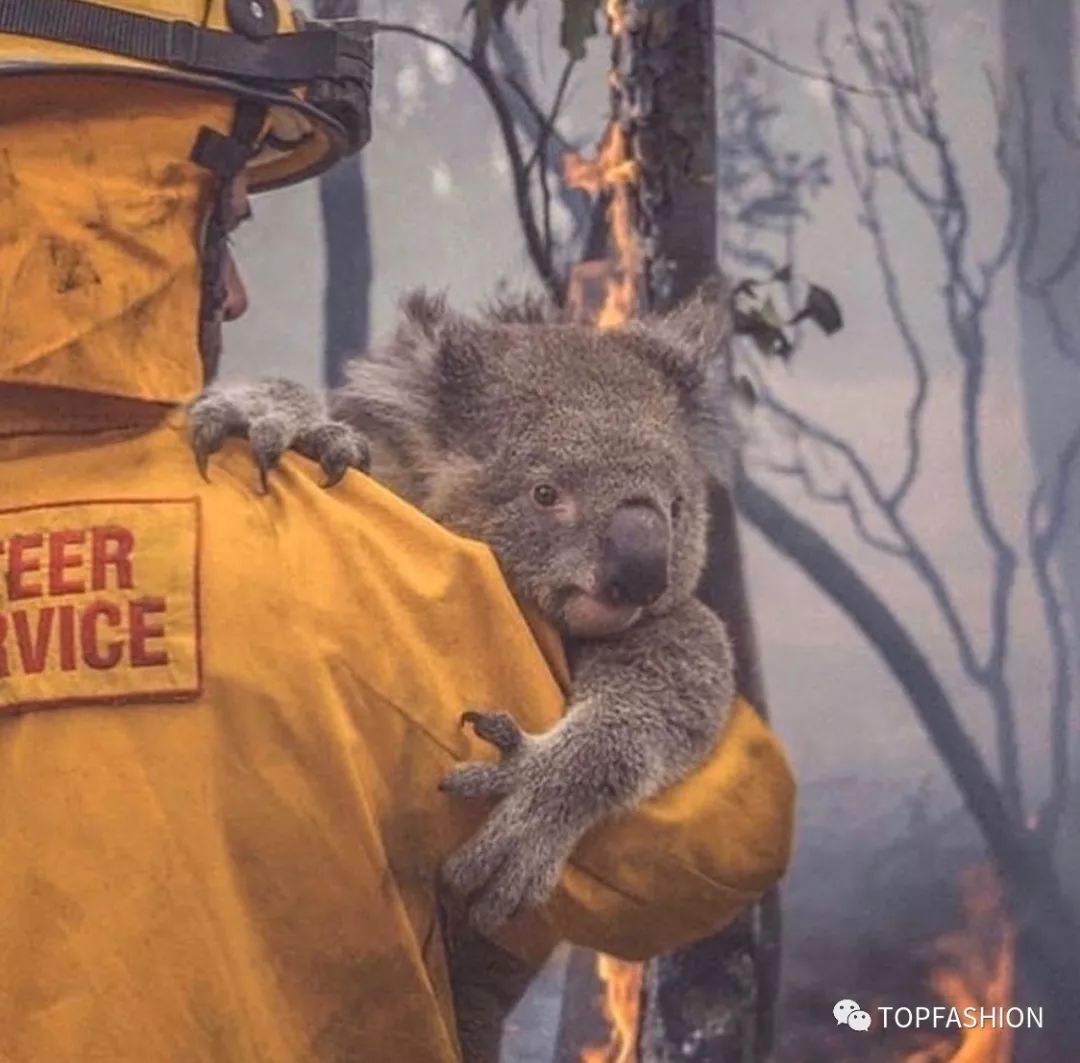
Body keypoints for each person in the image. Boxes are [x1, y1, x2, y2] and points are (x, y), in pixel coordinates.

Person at [0, 2, 795, 1059]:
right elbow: (716, 845)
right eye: (222, 224)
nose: (236, 296)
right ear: (109, 205)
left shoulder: (289, 478)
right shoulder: (353, 567)